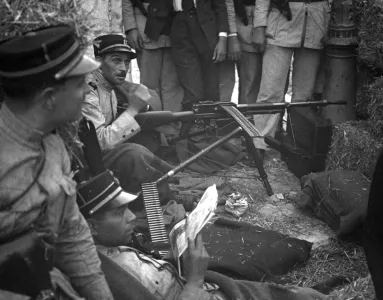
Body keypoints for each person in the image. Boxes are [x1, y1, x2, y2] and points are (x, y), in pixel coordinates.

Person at [0, 25, 113, 299]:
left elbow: (72, 235)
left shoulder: (54, 147)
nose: (88, 91)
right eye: (78, 85)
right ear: (49, 98)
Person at [77, 189, 330, 300]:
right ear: (91, 227)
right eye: (120, 213)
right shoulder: (105, 277)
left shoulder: (104, 253)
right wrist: (195, 279)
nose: (133, 217)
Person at [82, 33, 174, 211]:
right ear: (99, 61)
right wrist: (133, 109)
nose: (123, 68)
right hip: (84, 164)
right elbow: (100, 142)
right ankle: (157, 199)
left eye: (126, 62)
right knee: (135, 154)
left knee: (145, 140)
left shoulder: (109, 86)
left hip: (97, 157)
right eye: (116, 60)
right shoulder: (89, 90)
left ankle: (165, 182)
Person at [251, 0, 331, 155]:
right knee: (270, 91)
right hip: (281, 23)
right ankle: (260, 144)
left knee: (304, 96)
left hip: (316, 25)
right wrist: (259, 26)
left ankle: (297, 145)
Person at [122, 0, 184, 112]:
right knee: (149, 86)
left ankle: (173, 125)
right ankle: (155, 124)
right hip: (146, 30)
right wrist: (131, 28)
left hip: (173, 28)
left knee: (173, 84)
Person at [171, 0, 229, 111]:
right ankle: (194, 125)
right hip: (179, 25)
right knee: (192, 89)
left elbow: (220, 7)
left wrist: (223, 38)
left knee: (211, 88)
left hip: (206, 29)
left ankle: (211, 125)